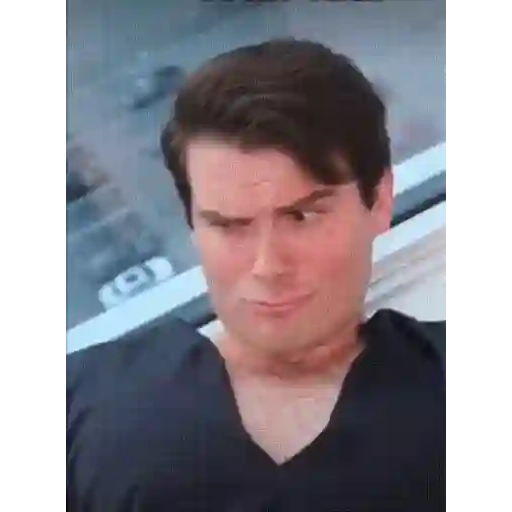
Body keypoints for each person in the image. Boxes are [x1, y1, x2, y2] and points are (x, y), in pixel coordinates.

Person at [66, 39, 446, 511]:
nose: (267, 265)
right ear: (192, 224)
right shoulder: (88, 400)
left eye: (302, 217)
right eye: (229, 225)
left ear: (380, 200)